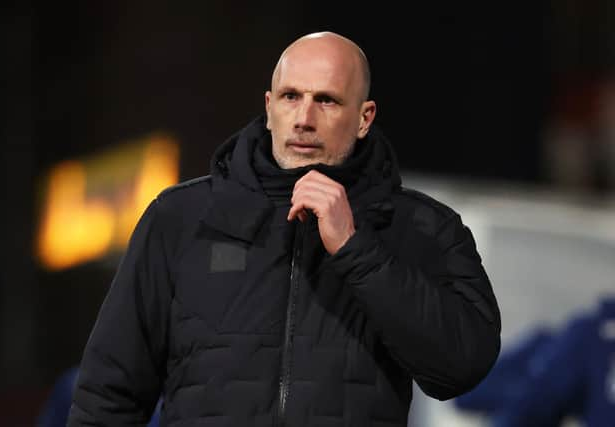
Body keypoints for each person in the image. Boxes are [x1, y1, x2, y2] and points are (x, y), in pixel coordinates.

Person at [67, 31, 501, 426]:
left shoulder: (421, 227)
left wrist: (357, 250)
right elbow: (108, 394)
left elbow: (461, 367)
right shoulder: (179, 219)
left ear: (365, 117)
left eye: (327, 100)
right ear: (269, 107)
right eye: (291, 96)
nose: (304, 118)